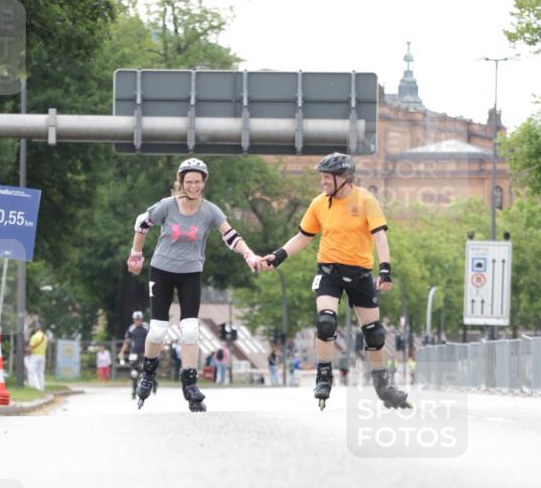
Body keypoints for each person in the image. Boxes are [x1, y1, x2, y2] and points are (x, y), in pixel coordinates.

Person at [259, 152, 410, 410]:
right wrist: (278, 256)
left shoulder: (365, 200)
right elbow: (302, 237)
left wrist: (385, 270)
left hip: (361, 273)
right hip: (329, 271)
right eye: (323, 178)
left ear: (344, 178)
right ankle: (324, 377)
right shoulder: (319, 204)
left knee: (374, 333)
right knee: (326, 322)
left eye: (327, 177)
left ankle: (383, 387)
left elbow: (380, 238)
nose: (323, 182)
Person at [126, 157, 260, 411]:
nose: (193, 186)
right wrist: (136, 254)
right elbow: (142, 223)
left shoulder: (210, 211)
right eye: (189, 182)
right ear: (181, 182)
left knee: (190, 329)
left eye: (197, 182)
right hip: (162, 270)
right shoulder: (167, 206)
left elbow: (230, 236)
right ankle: (148, 372)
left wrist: (249, 254)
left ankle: (190, 383)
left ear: (203, 183)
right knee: (157, 329)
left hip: (191, 273)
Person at [118, 311, 150, 398]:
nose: (137, 321)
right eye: (136, 320)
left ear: (141, 319)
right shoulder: (131, 328)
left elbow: (151, 340)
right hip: (134, 352)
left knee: (145, 371)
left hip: (144, 352)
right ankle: (134, 390)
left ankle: (149, 386)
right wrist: (122, 351)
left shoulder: (146, 327)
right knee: (134, 373)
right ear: (134, 320)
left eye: (139, 319)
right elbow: (127, 341)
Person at [27, 321, 48, 391]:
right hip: (43, 356)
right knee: (40, 372)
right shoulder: (45, 337)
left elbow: (30, 347)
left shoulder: (34, 337)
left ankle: (37, 387)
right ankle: (42, 387)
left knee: (32, 371)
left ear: (35, 329)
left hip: (35, 356)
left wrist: (27, 351)